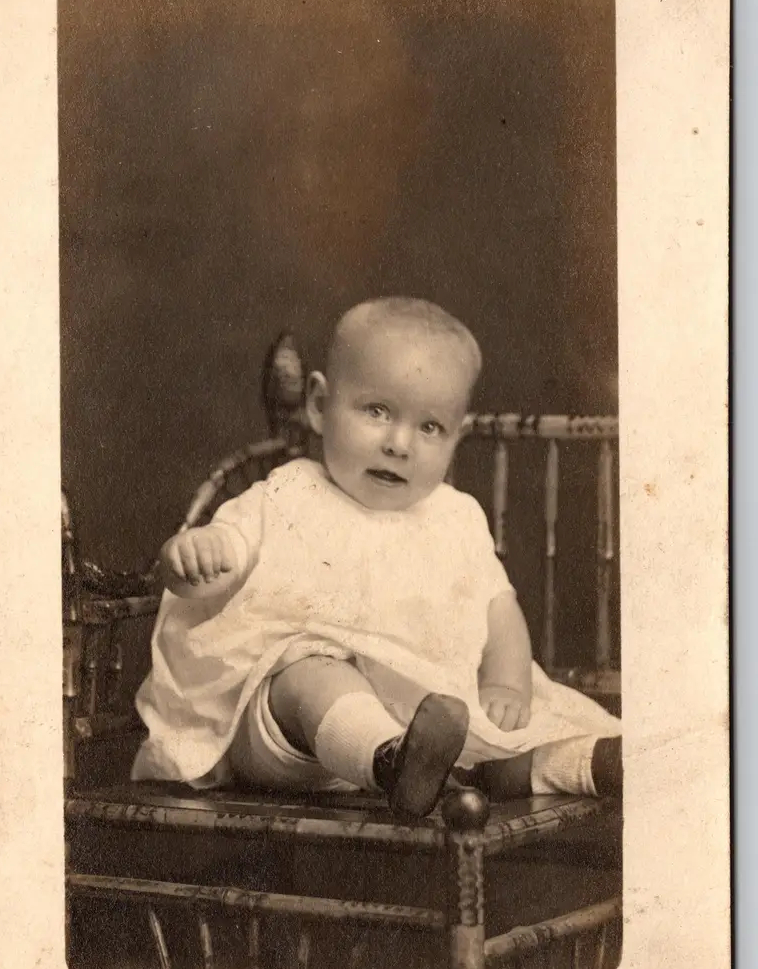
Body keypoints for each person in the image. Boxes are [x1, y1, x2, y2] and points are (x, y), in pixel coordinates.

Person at [132, 297, 621, 819]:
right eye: (377, 411)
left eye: (429, 427)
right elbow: (219, 563)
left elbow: (499, 610)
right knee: (312, 674)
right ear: (320, 405)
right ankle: (392, 762)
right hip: (288, 738)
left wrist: (504, 685)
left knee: (504, 740)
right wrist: (194, 556)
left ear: (455, 437)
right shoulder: (290, 493)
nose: (399, 443)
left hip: (427, 716)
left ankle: (590, 763)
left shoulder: (455, 518)